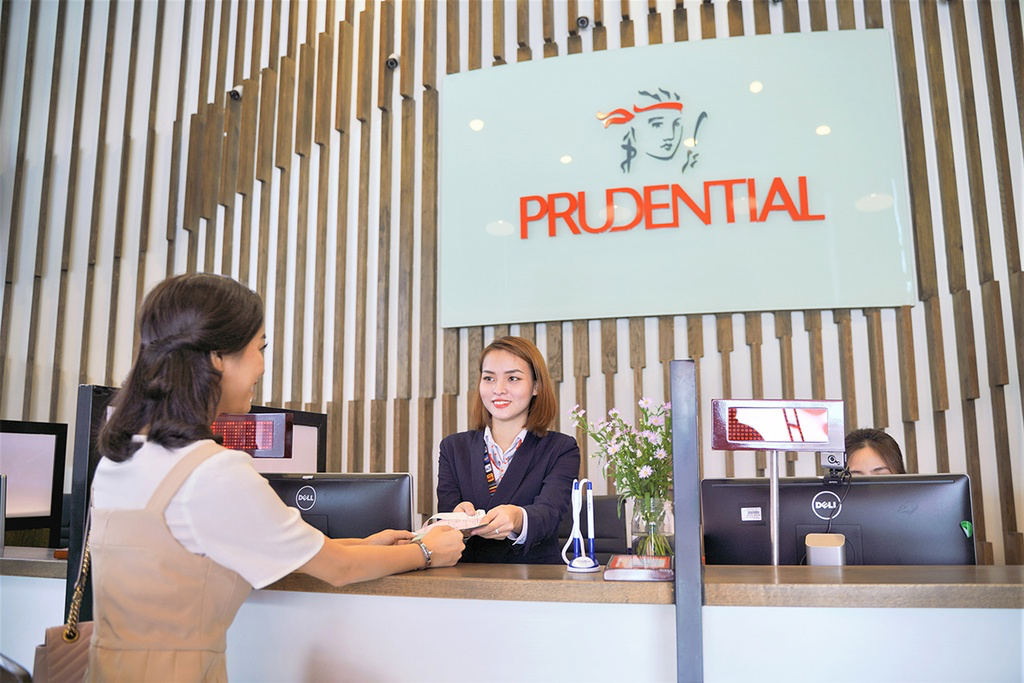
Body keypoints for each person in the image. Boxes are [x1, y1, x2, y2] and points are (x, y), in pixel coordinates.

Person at [87, 273, 464, 682]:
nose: (262, 367)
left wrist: (365, 543)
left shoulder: (119, 459)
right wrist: (427, 551)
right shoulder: (211, 472)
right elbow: (338, 569)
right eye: (259, 348)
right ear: (217, 357)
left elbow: (253, 545)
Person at [436, 336, 581, 564]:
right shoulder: (453, 448)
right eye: (489, 378)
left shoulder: (561, 448)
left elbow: (550, 513)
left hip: (535, 575)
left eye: (513, 378)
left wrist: (518, 518)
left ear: (536, 386)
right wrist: (456, 519)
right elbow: (444, 519)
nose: (498, 389)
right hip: (466, 574)